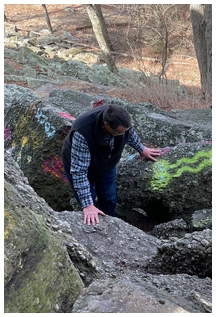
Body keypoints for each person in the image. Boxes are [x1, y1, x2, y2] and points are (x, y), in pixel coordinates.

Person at [61, 104, 160, 226]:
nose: (122, 135)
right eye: (118, 133)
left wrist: (142, 149)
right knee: (88, 199)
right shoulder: (83, 133)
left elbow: (129, 133)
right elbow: (79, 172)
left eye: (124, 132)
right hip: (81, 166)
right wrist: (88, 205)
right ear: (106, 124)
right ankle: (93, 226)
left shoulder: (120, 118)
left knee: (109, 197)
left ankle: (110, 222)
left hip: (107, 163)